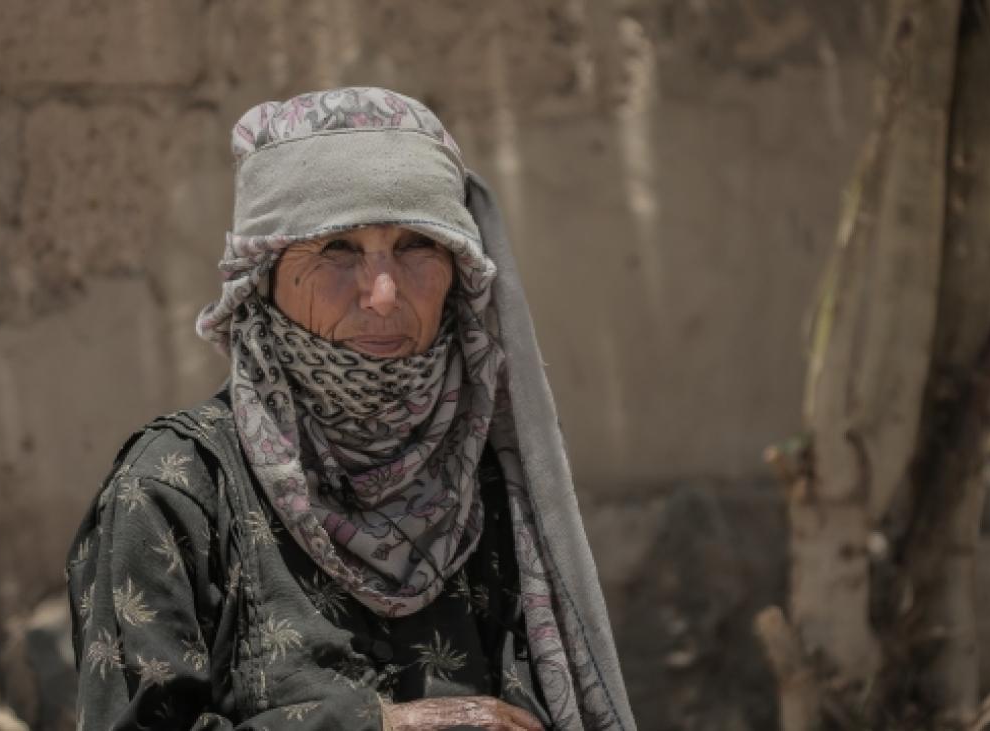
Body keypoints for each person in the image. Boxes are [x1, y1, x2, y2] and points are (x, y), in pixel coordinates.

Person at [66, 87, 636, 731]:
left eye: (417, 244)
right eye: (338, 248)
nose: (384, 295)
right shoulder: (175, 489)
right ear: (264, 275)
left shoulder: (494, 479)